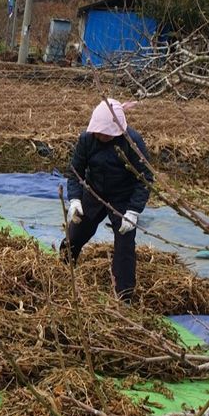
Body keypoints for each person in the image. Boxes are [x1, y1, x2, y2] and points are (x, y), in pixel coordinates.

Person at [61, 97, 153, 302]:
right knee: (76, 234)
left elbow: (145, 178)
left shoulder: (132, 142)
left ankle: (124, 296)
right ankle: (62, 269)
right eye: (98, 132)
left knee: (124, 246)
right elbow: (75, 171)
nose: (101, 135)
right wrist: (75, 199)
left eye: (105, 133)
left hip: (123, 198)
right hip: (94, 193)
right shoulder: (87, 139)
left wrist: (133, 211)